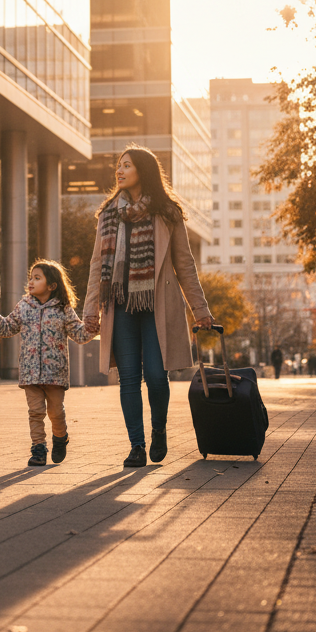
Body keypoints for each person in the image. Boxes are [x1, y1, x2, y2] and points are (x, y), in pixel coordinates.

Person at [83, 146, 213, 468]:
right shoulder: (108, 214)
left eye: (126, 165)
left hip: (157, 304)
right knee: (128, 378)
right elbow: (97, 264)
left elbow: (185, 265)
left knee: (156, 376)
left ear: (143, 170)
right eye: (118, 165)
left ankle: (159, 429)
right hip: (120, 305)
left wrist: (200, 309)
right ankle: (136, 446)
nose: (120, 170)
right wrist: (89, 311)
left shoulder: (167, 212)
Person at [0, 259, 94, 467]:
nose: (31, 282)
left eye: (37, 278)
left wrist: (93, 327)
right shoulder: (24, 306)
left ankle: (60, 437)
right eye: (30, 278)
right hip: (30, 373)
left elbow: (78, 334)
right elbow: (7, 328)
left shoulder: (63, 309)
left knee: (56, 412)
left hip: (55, 374)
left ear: (52, 285)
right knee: (35, 412)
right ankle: (38, 448)